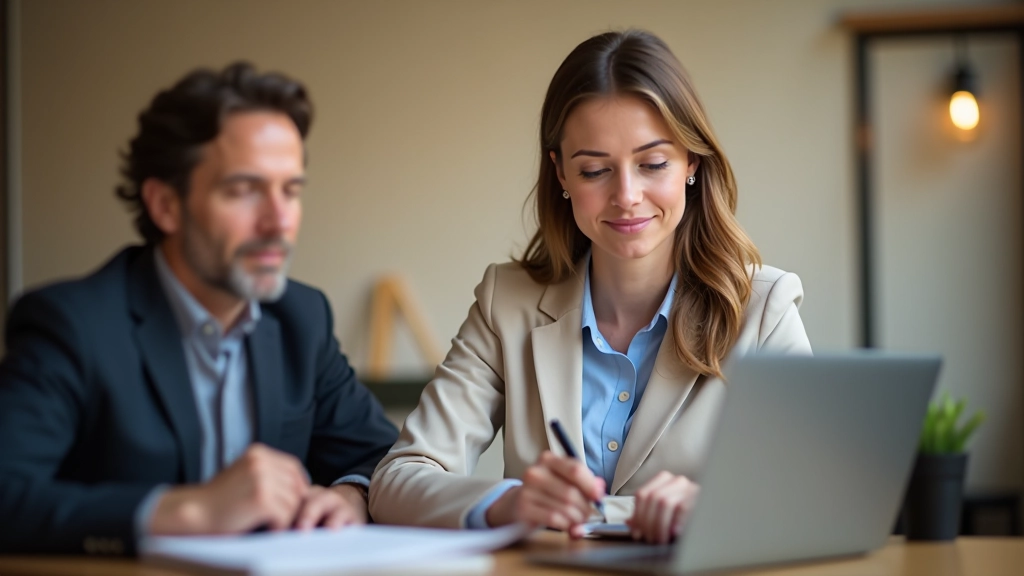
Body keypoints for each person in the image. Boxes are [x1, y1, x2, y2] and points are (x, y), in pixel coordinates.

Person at [369, 30, 811, 544]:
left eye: (652, 164)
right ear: (560, 172)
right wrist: (509, 502)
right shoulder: (506, 303)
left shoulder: (764, 310)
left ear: (692, 162)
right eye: (595, 169)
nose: (626, 196)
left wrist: (714, 508)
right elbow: (397, 480)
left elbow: (817, 492)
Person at [0, 62, 399, 555]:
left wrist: (352, 494)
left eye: (290, 190)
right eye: (244, 190)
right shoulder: (73, 325)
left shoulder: (302, 318)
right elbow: (9, 493)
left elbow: (383, 457)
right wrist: (187, 511)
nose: (278, 221)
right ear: (165, 204)